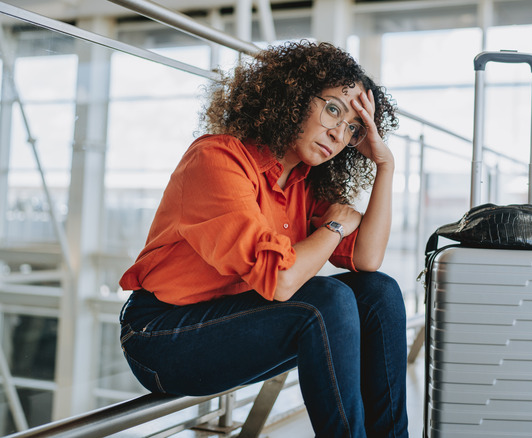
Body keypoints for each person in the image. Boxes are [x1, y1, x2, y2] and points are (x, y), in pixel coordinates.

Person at [117, 40, 407, 437]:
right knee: (326, 300)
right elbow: (284, 280)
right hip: (160, 337)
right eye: (333, 110)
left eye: (354, 129)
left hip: (237, 318)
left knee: (378, 292)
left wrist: (385, 164)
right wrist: (334, 227)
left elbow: (368, 260)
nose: (339, 134)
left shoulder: (303, 181)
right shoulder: (216, 160)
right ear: (294, 98)